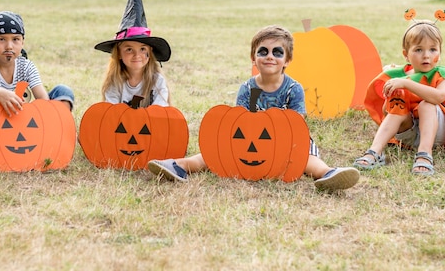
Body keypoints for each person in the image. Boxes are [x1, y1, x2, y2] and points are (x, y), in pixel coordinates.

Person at [148, 25, 360, 192]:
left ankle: (327, 174)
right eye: (263, 51)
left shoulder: (293, 89)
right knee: (216, 153)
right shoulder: (248, 88)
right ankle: (180, 166)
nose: (270, 56)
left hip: (288, 140)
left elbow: (297, 123)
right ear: (253, 58)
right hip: (250, 139)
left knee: (305, 159)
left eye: (277, 52)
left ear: (287, 60)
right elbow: (240, 121)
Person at [356, 10, 445, 175]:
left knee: (427, 104)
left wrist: (406, 83)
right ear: (406, 54)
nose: (426, 55)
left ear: (439, 53)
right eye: (418, 50)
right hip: (411, 134)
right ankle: (375, 151)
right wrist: (395, 95)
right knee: (397, 101)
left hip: (441, 131)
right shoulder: (400, 75)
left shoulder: (443, 75)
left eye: (433, 49)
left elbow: (438, 97)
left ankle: (425, 154)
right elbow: (386, 113)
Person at [0, 11, 74, 115]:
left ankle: (55, 128)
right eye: (1, 39)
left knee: (63, 91)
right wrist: (0, 94)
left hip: (24, 116)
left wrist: (44, 113)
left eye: (15, 39)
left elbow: (42, 99)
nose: (9, 46)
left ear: (22, 42)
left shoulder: (26, 66)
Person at [94, 0, 171, 108]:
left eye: (142, 49)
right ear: (118, 53)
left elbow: (160, 112)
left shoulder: (157, 81)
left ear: (150, 52)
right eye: (129, 49)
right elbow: (111, 113)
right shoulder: (115, 81)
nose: (137, 55)